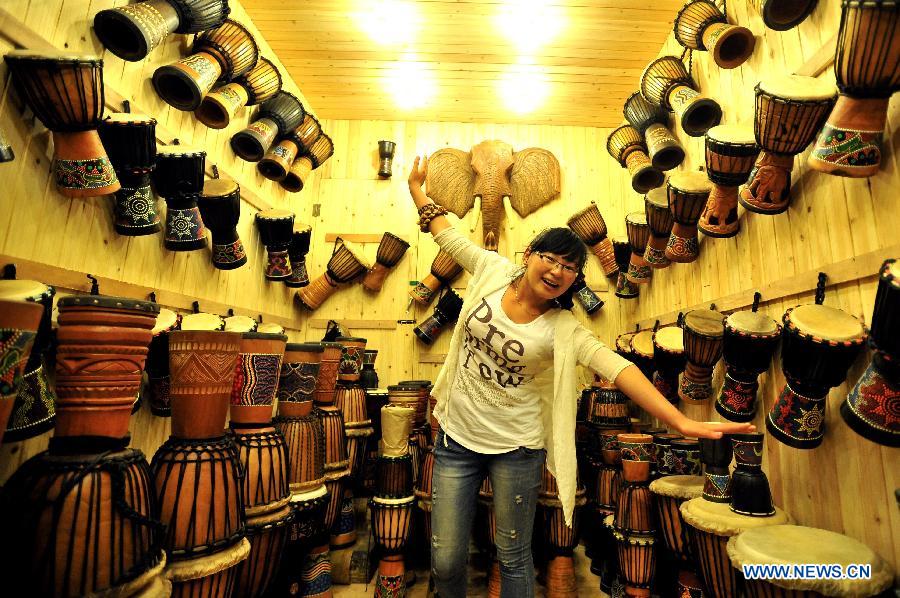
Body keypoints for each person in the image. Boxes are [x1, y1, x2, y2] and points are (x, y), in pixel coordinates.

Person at [407, 155, 754, 598]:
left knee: (513, 558)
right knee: (446, 558)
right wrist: (417, 188)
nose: (557, 272)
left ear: (574, 280)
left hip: (517, 448)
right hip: (457, 439)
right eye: (550, 259)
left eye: (570, 268)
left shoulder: (564, 328)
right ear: (529, 255)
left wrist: (682, 421)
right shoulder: (493, 271)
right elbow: (446, 234)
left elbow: (619, 367)